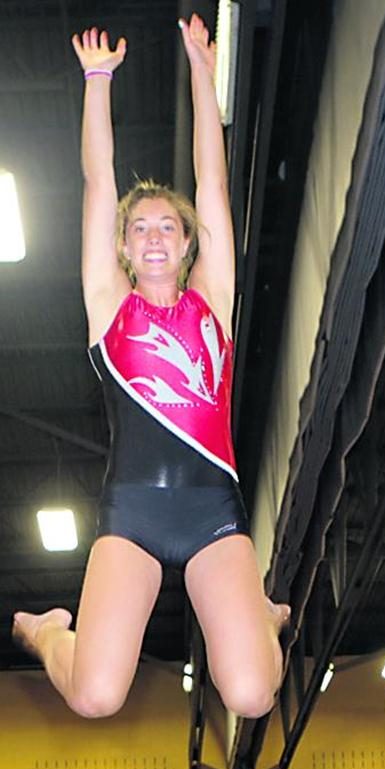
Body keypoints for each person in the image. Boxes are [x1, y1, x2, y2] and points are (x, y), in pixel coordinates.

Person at [12, 15, 288, 720]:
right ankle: (49, 631)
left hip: (213, 515)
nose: (155, 234)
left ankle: (264, 619)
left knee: (254, 693)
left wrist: (203, 71)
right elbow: (97, 181)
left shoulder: (213, 305)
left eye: (169, 224)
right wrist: (97, 82)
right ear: (124, 250)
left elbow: (214, 184)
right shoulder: (109, 307)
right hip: (131, 513)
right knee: (96, 696)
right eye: (140, 228)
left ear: (189, 242)